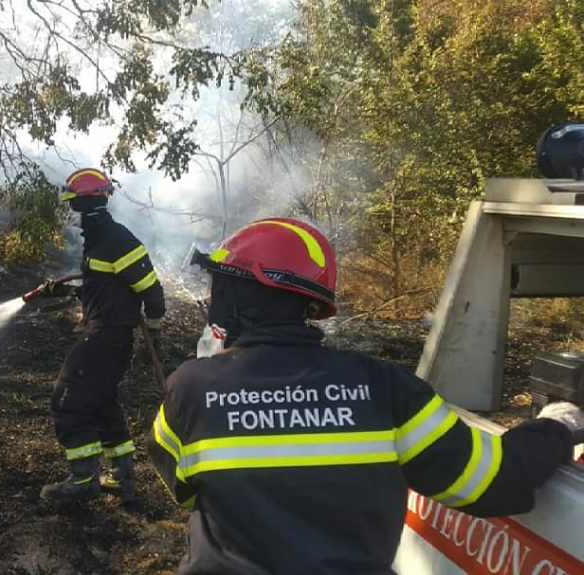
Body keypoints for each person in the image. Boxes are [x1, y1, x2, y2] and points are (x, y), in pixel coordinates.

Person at [147, 217, 584, 573]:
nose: (212, 298)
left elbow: (185, 490)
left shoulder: (190, 389)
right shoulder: (387, 389)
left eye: (220, 286)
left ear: (239, 297)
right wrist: (557, 426)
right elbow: (489, 482)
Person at [39, 168, 166, 502]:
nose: (73, 212)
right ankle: (124, 480)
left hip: (106, 338)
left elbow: (151, 290)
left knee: (67, 399)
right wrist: (67, 293)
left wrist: (154, 331)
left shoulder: (117, 240)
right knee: (102, 401)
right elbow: (106, 289)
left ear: (81, 202)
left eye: (74, 204)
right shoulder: (99, 240)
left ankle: (82, 483)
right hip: (107, 334)